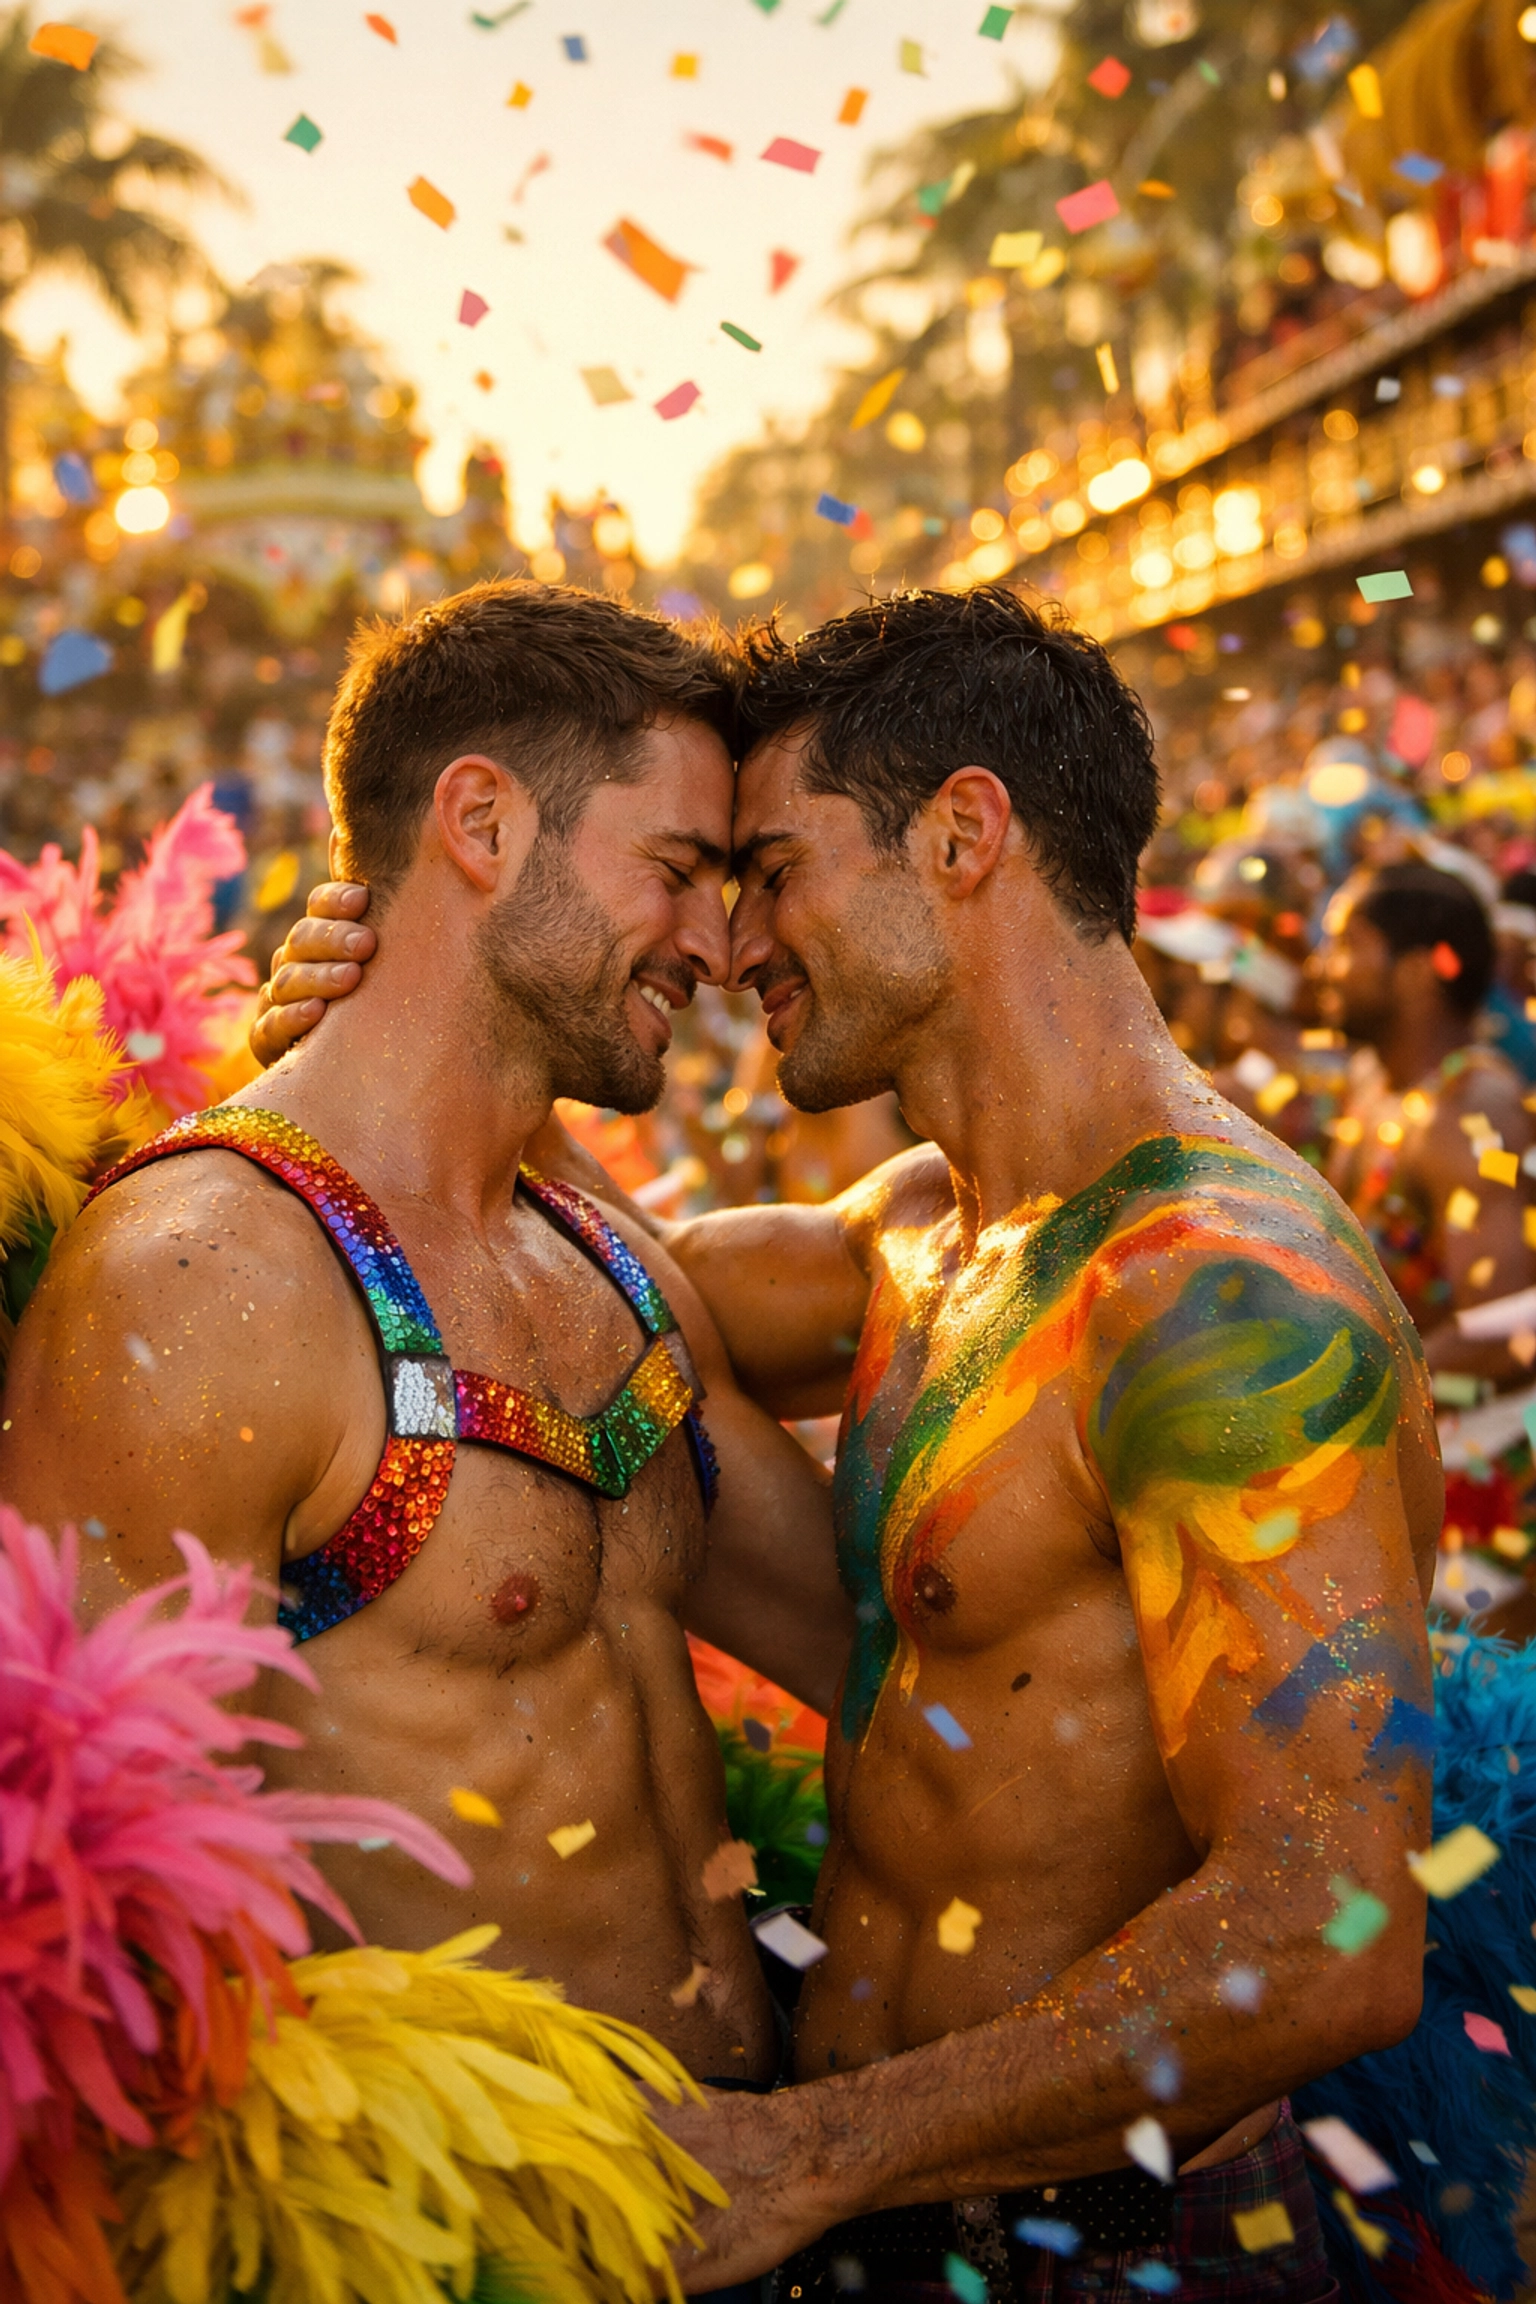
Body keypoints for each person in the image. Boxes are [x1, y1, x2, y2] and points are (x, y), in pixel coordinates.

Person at [262, 584, 1438, 2304]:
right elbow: (578, 1297)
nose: (736, 948)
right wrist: (389, 1037)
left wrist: (819, 2147)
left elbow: (1333, 1929)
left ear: (963, 835)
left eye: (777, 870)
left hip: (1115, 2245)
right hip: (890, 2205)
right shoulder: (911, 1233)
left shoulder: (1223, 1309)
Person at [0, 582, 851, 2109]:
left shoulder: (592, 1260)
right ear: (482, 822)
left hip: (754, 2218)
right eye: (680, 869)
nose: (722, 946)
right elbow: (67, 1932)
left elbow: (885, 1662)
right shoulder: (203, 1277)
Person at [1320, 860, 1536, 1393]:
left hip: (1471, 1460)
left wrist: (1342, 1392)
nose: (1326, 966)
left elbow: (1510, 1333)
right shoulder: (1374, 1080)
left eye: (1349, 945)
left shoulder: (1469, 1118)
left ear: (1417, 972)